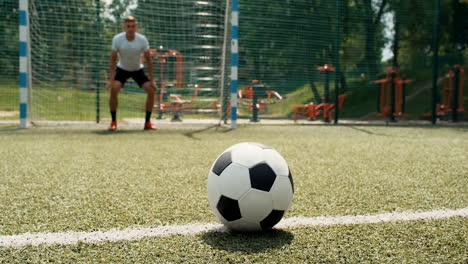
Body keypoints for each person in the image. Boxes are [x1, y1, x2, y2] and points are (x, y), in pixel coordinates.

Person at [108, 16, 157, 131]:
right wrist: (111, 80)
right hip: (122, 69)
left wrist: (152, 80)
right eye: (128, 26)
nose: (131, 29)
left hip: (137, 70)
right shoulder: (117, 39)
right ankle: (113, 121)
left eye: (133, 26)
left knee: (151, 90)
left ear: (137, 27)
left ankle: (147, 122)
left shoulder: (142, 39)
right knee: (114, 88)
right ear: (124, 27)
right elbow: (112, 60)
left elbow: (149, 60)